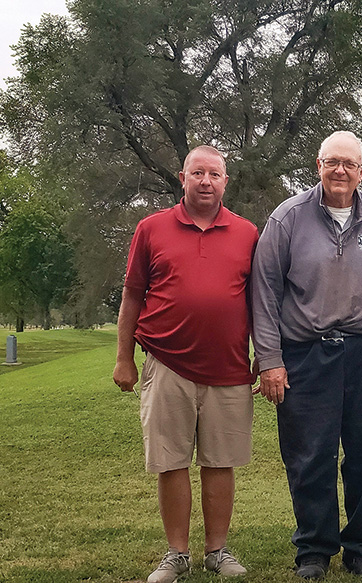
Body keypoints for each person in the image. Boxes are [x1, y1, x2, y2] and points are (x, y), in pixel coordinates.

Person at [251, 131, 362, 580]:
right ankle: (314, 549)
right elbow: (263, 293)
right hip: (305, 353)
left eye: (349, 164)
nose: (340, 171)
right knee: (309, 455)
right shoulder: (287, 218)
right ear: (317, 166)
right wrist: (269, 359)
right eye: (331, 162)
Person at [113, 146, 259, 582]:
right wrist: (124, 358)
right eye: (198, 173)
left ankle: (217, 550)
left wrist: (266, 356)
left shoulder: (248, 232)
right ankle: (176, 554)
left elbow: (261, 301)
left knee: (220, 461)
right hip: (166, 363)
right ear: (183, 177)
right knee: (170, 461)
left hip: (229, 368)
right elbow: (132, 294)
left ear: (225, 181)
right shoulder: (151, 228)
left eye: (214, 174)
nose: (206, 181)